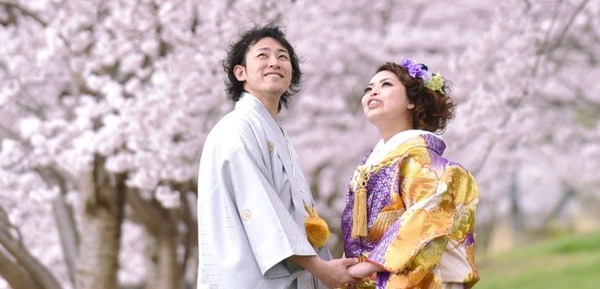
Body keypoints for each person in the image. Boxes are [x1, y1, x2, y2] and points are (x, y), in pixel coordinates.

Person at [197, 24, 356, 288]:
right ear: (240, 72)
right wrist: (323, 270)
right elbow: (261, 212)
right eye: (263, 55)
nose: (275, 62)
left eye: (283, 57)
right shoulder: (236, 129)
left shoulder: (272, 132)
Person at [341, 60, 480, 289]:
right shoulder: (372, 163)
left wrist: (367, 266)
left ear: (412, 102)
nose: (373, 91)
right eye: (369, 88)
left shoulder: (420, 159)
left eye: (386, 84)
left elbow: (427, 217)